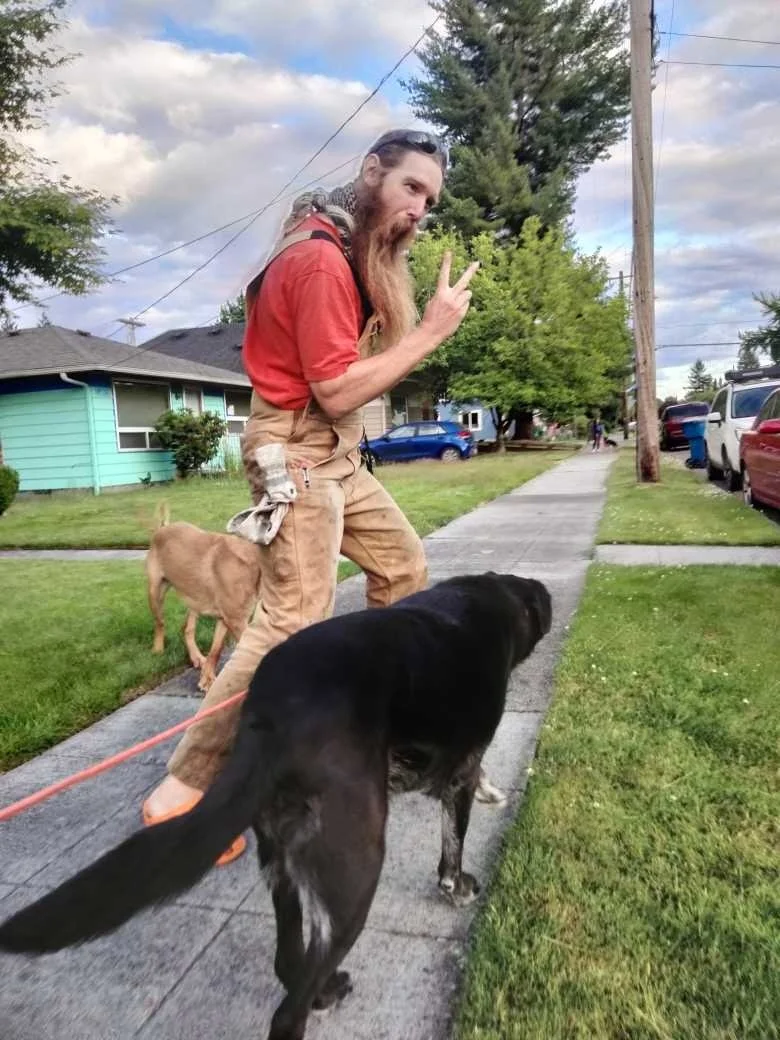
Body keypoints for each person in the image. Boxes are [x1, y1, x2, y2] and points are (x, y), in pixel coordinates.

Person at [142, 129, 494, 864]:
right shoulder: (317, 261)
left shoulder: (347, 252)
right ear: (371, 174)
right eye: (410, 189)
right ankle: (185, 790)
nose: (420, 210)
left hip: (331, 452)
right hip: (291, 453)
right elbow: (335, 390)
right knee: (288, 622)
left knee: (401, 567)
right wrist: (428, 334)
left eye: (430, 199)